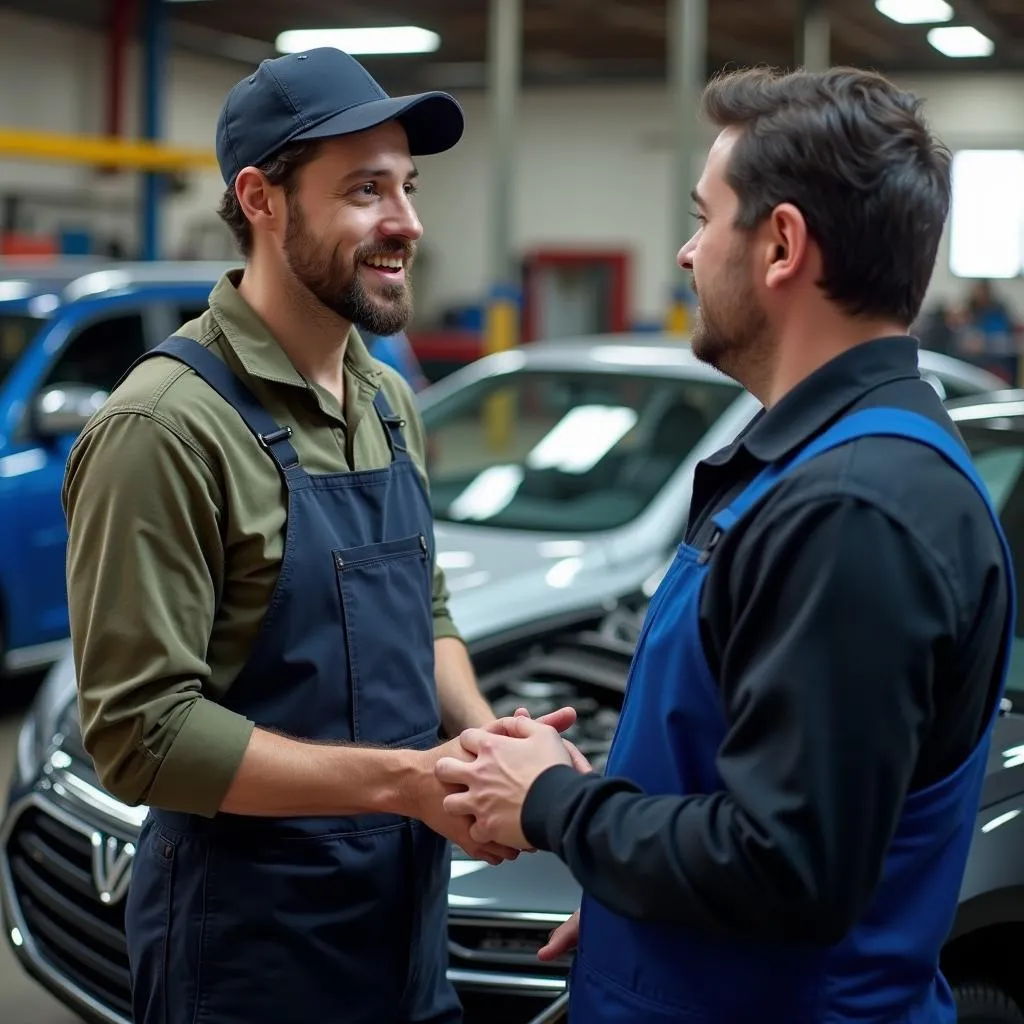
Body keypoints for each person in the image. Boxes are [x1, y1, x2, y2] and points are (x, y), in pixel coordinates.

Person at [436, 65, 1016, 1023]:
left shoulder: (855, 510)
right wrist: (633, 888)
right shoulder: (815, 466)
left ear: (782, 243)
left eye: (705, 218)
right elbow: (757, 780)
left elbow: (788, 869)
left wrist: (554, 806)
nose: (685, 251)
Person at [62, 47, 576, 1024]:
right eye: (365, 190)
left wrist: (479, 740)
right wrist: (409, 783)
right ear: (261, 198)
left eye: (409, 188)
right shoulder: (164, 426)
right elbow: (142, 735)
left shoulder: (387, 401)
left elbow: (423, 611)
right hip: (248, 956)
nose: (407, 223)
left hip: (399, 933)